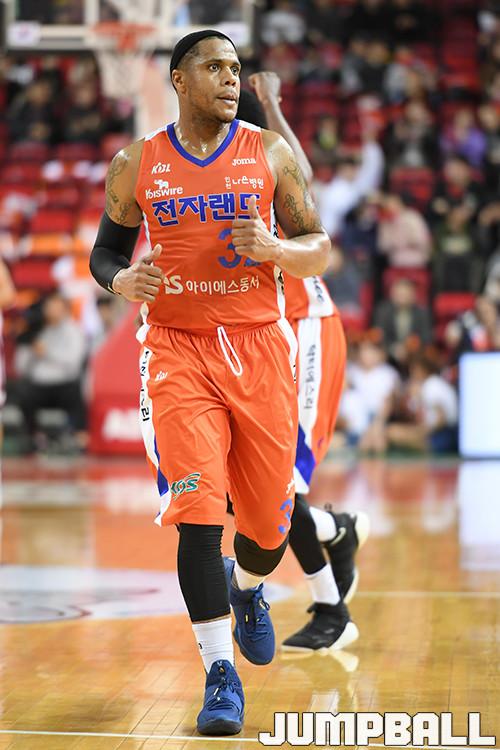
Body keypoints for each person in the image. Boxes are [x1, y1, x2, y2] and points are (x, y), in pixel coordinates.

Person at [89, 31, 330, 737]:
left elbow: (318, 247)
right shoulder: (137, 163)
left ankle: (248, 587)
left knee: (267, 529)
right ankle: (220, 673)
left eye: (235, 68)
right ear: (179, 79)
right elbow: (105, 251)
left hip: (260, 350)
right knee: (197, 515)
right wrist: (121, 281)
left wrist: (278, 248)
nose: (231, 79)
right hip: (176, 352)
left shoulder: (270, 152)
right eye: (215, 67)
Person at [236, 74, 370, 652]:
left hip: (307, 327)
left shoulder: (259, 164)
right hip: (262, 339)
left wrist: (271, 102)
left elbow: (302, 174)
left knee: (284, 483)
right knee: (251, 490)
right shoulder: (197, 179)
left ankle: (333, 612)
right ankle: (337, 530)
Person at [14, 290, 87, 451]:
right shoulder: (35, 330)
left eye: (57, 308)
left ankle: (80, 437)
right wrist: (31, 351)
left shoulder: (74, 330)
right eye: (49, 307)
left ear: (65, 310)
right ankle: (32, 437)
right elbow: (20, 367)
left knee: (77, 391)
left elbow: (73, 363)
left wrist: (46, 353)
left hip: (65, 385)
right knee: (23, 391)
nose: (52, 312)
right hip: (39, 385)